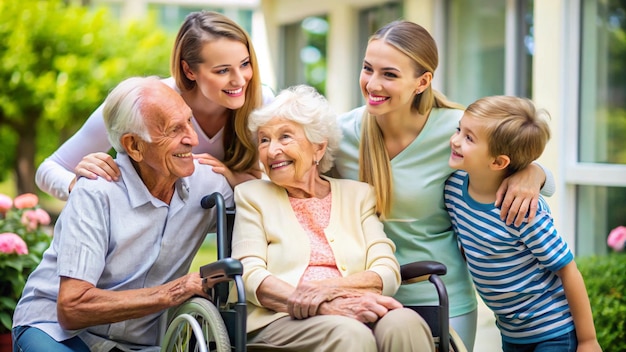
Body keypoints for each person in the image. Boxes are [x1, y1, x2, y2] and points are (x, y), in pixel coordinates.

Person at [330, 20, 556, 351]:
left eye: (389, 74)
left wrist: (533, 172)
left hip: (440, 299)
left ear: (422, 82)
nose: (372, 84)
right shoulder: (340, 134)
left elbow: (513, 161)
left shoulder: (456, 130)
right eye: (367, 69)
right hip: (363, 298)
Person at [12, 76, 233, 352]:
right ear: (134, 146)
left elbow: (269, 209)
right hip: (58, 331)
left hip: (138, 344)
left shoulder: (211, 186)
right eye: (174, 130)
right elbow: (72, 308)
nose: (193, 138)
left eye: (189, 121)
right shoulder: (96, 190)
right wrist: (172, 292)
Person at [231, 84, 435, 351]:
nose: (271, 151)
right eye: (264, 140)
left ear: (318, 148)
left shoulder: (358, 195)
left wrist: (329, 289)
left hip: (357, 306)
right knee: (349, 333)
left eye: (285, 137)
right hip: (280, 320)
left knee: (405, 322)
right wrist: (322, 305)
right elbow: (249, 273)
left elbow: (385, 269)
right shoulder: (252, 196)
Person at [36, 10, 273, 200]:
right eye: (222, 70)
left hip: (223, 230)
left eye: (244, 64)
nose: (240, 80)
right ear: (189, 70)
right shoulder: (143, 102)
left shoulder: (262, 103)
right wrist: (79, 186)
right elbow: (48, 170)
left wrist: (232, 177)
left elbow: (284, 186)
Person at [444, 95, 601, 352]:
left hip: (553, 330)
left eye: (469, 138)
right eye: (459, 130)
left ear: (498, 162)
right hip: (512, 334)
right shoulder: (453, 190)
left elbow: (568, 269)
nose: (455, 140)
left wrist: (587, 340)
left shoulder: (521, 210)